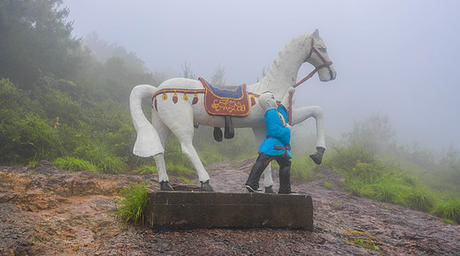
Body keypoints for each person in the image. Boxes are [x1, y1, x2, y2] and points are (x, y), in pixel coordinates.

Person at [245, 91, 293, 194]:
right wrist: (287, 130)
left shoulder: (275, 112)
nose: (275, 100)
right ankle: (252, 184)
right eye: (272, 98)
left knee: (285, 164)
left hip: (277, 146)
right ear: (267, 101)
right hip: (272, 146)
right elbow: (275, 131)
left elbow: (283, 109)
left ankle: (285, 189)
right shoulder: (271, 113)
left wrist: (288, 94)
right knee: (262, 163)